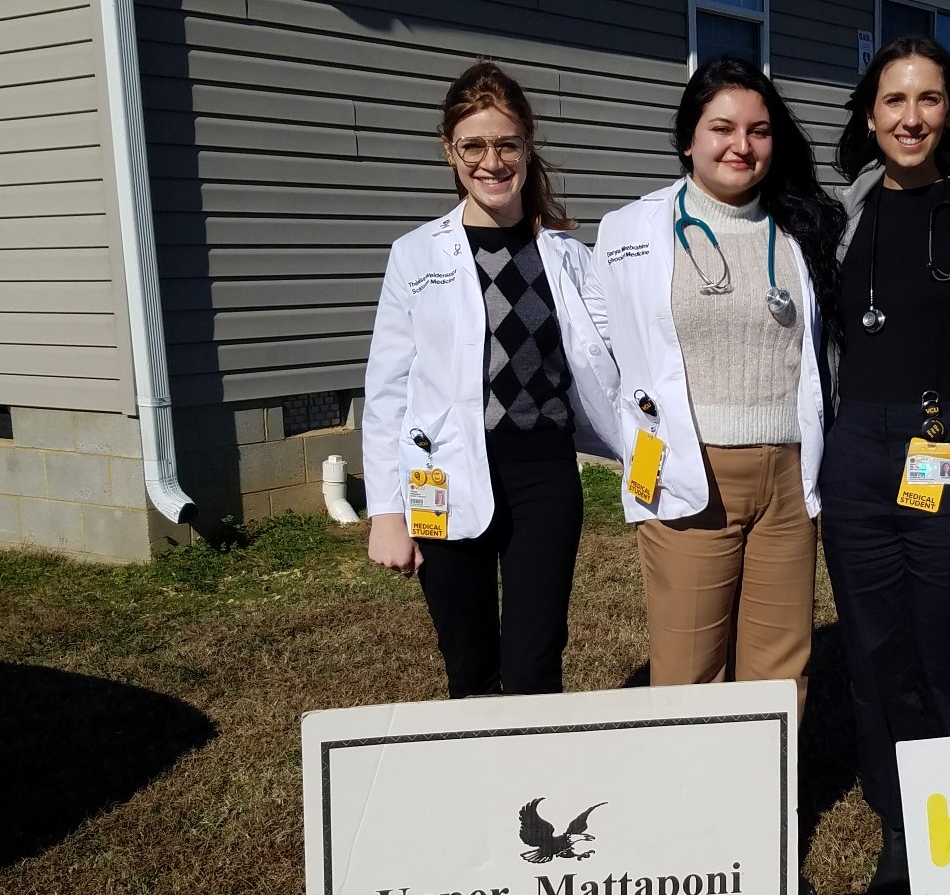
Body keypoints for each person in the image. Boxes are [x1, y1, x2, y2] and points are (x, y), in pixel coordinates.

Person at [583, 58, 845, 702]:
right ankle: (691, 801)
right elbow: (595, 353)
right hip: (689, 473)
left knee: (780, 665)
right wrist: (636, 442)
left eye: (759, 130)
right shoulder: (630, 232)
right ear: (688, 139)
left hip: (786, 478)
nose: (742, 145)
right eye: (722, 127)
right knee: (689, 665)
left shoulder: (801, 229)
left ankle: (767, 801)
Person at [362, 62, 621, 699]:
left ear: (528, 146)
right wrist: (386, 512)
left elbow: (624, 350)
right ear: (449, 151)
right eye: (473, 145)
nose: (491, 161)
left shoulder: (567, 257)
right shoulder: (416, 255)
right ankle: (478, 788)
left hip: (544, 477)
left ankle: (534, 789)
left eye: (506, 143)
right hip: (444, 476)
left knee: (535, 663)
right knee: (469, 663)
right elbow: (387, 391)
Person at [823, 37, 950, 895]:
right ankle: (901, 823)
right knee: (876, 649)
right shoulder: (838, 218)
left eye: (929, 100)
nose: (911, 117)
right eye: (894, 101)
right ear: (870, 115)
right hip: (857, 450)